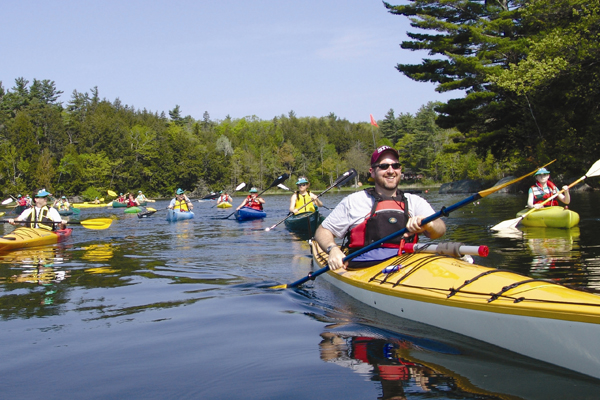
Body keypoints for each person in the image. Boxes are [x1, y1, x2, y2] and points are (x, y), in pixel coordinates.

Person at [314, 145, 446, 270]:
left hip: (407, 264)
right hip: (364, 267)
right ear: (372, 172)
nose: (390, 171)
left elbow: (440, 230)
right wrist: (333, 249)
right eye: (384, 166)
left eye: (395, 166)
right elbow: (322, 231)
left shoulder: (415, 202)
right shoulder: (354, 201)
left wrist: (428, 224)